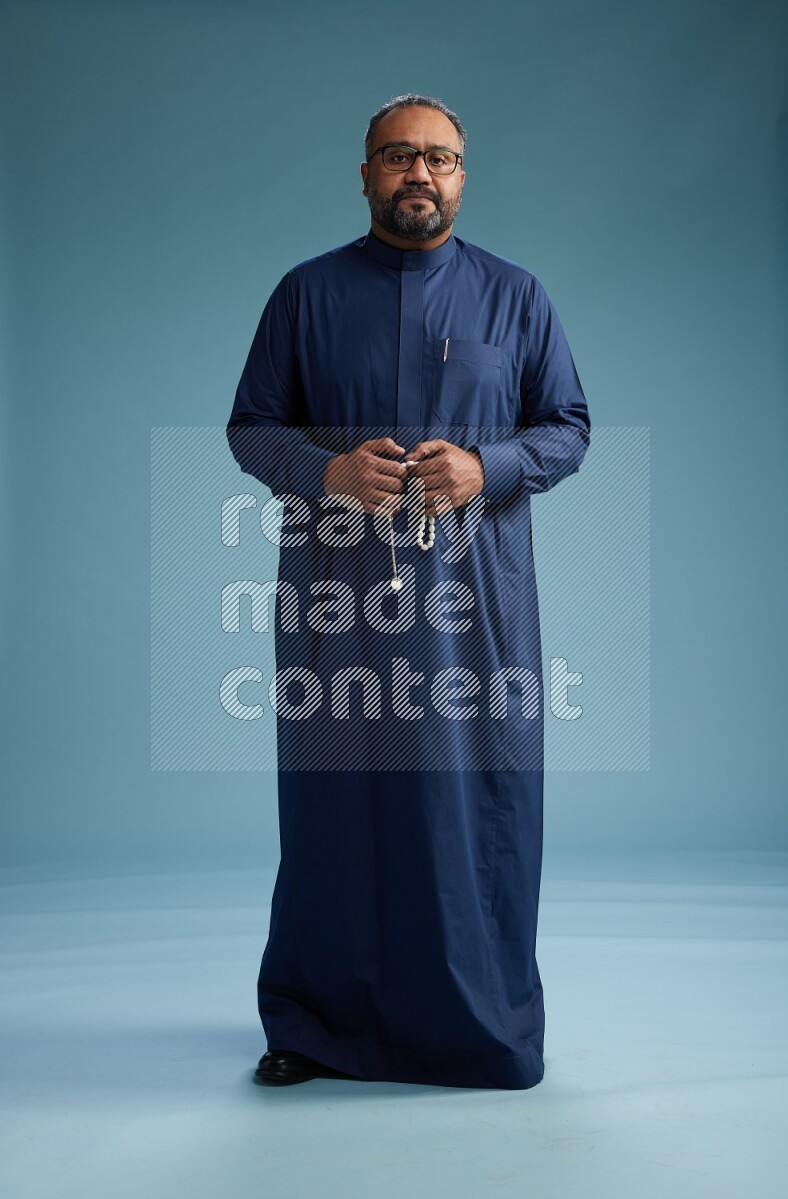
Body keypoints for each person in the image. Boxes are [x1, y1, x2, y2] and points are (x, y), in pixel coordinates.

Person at [226, 93, 591, 1089]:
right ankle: (312, 1022)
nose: (417, 173)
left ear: (461, 177)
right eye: (397, 155)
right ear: (364, 173)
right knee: (332, 805)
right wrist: (321, 472)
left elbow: (567, 426)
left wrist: (490, 464)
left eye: (438, 158)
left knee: (475, 802)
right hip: (337, 597)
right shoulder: (305, 294)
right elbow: (251, 425)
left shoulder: (514, 297)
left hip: (473, 602)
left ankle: (482, 1026)